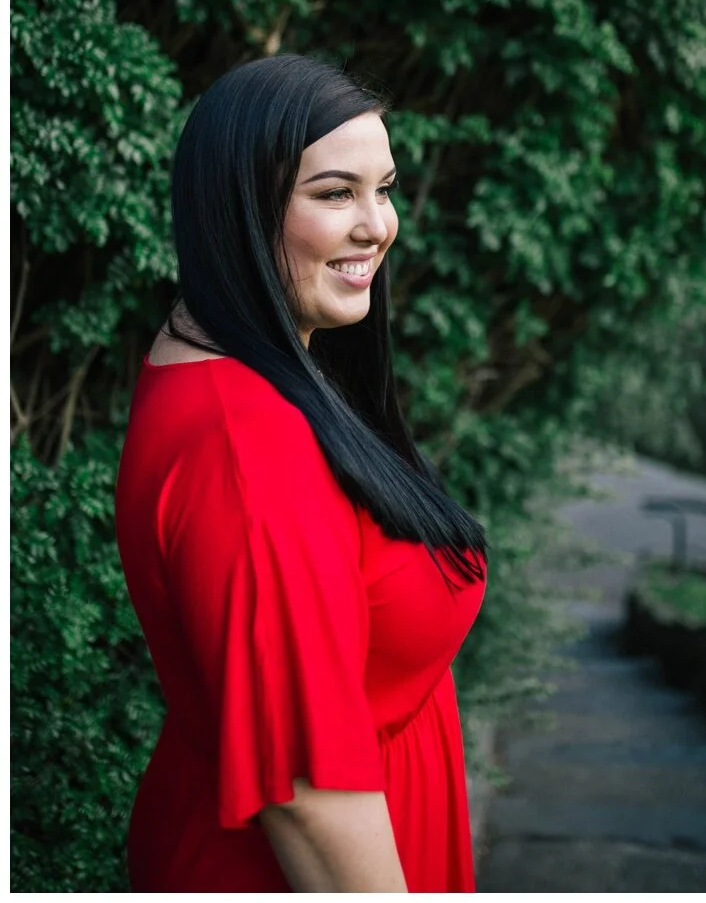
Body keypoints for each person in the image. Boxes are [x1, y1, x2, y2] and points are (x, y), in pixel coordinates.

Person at [115, 55, 489, 892]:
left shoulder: (246, 364)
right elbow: (310, 797)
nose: (377, 225)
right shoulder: (248, 453)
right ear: (240, 208)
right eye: (333, 193)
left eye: (383, 188)